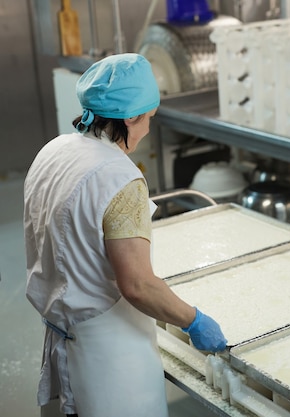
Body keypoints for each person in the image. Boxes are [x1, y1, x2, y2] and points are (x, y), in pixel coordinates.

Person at [23, 53, 227, 417]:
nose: (149, 127)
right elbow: (137, 285)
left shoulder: (53, 151)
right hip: (111, 360)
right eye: (149, 117)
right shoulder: (120, 178)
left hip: (63, 334)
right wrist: (192, 321)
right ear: (130, 117)